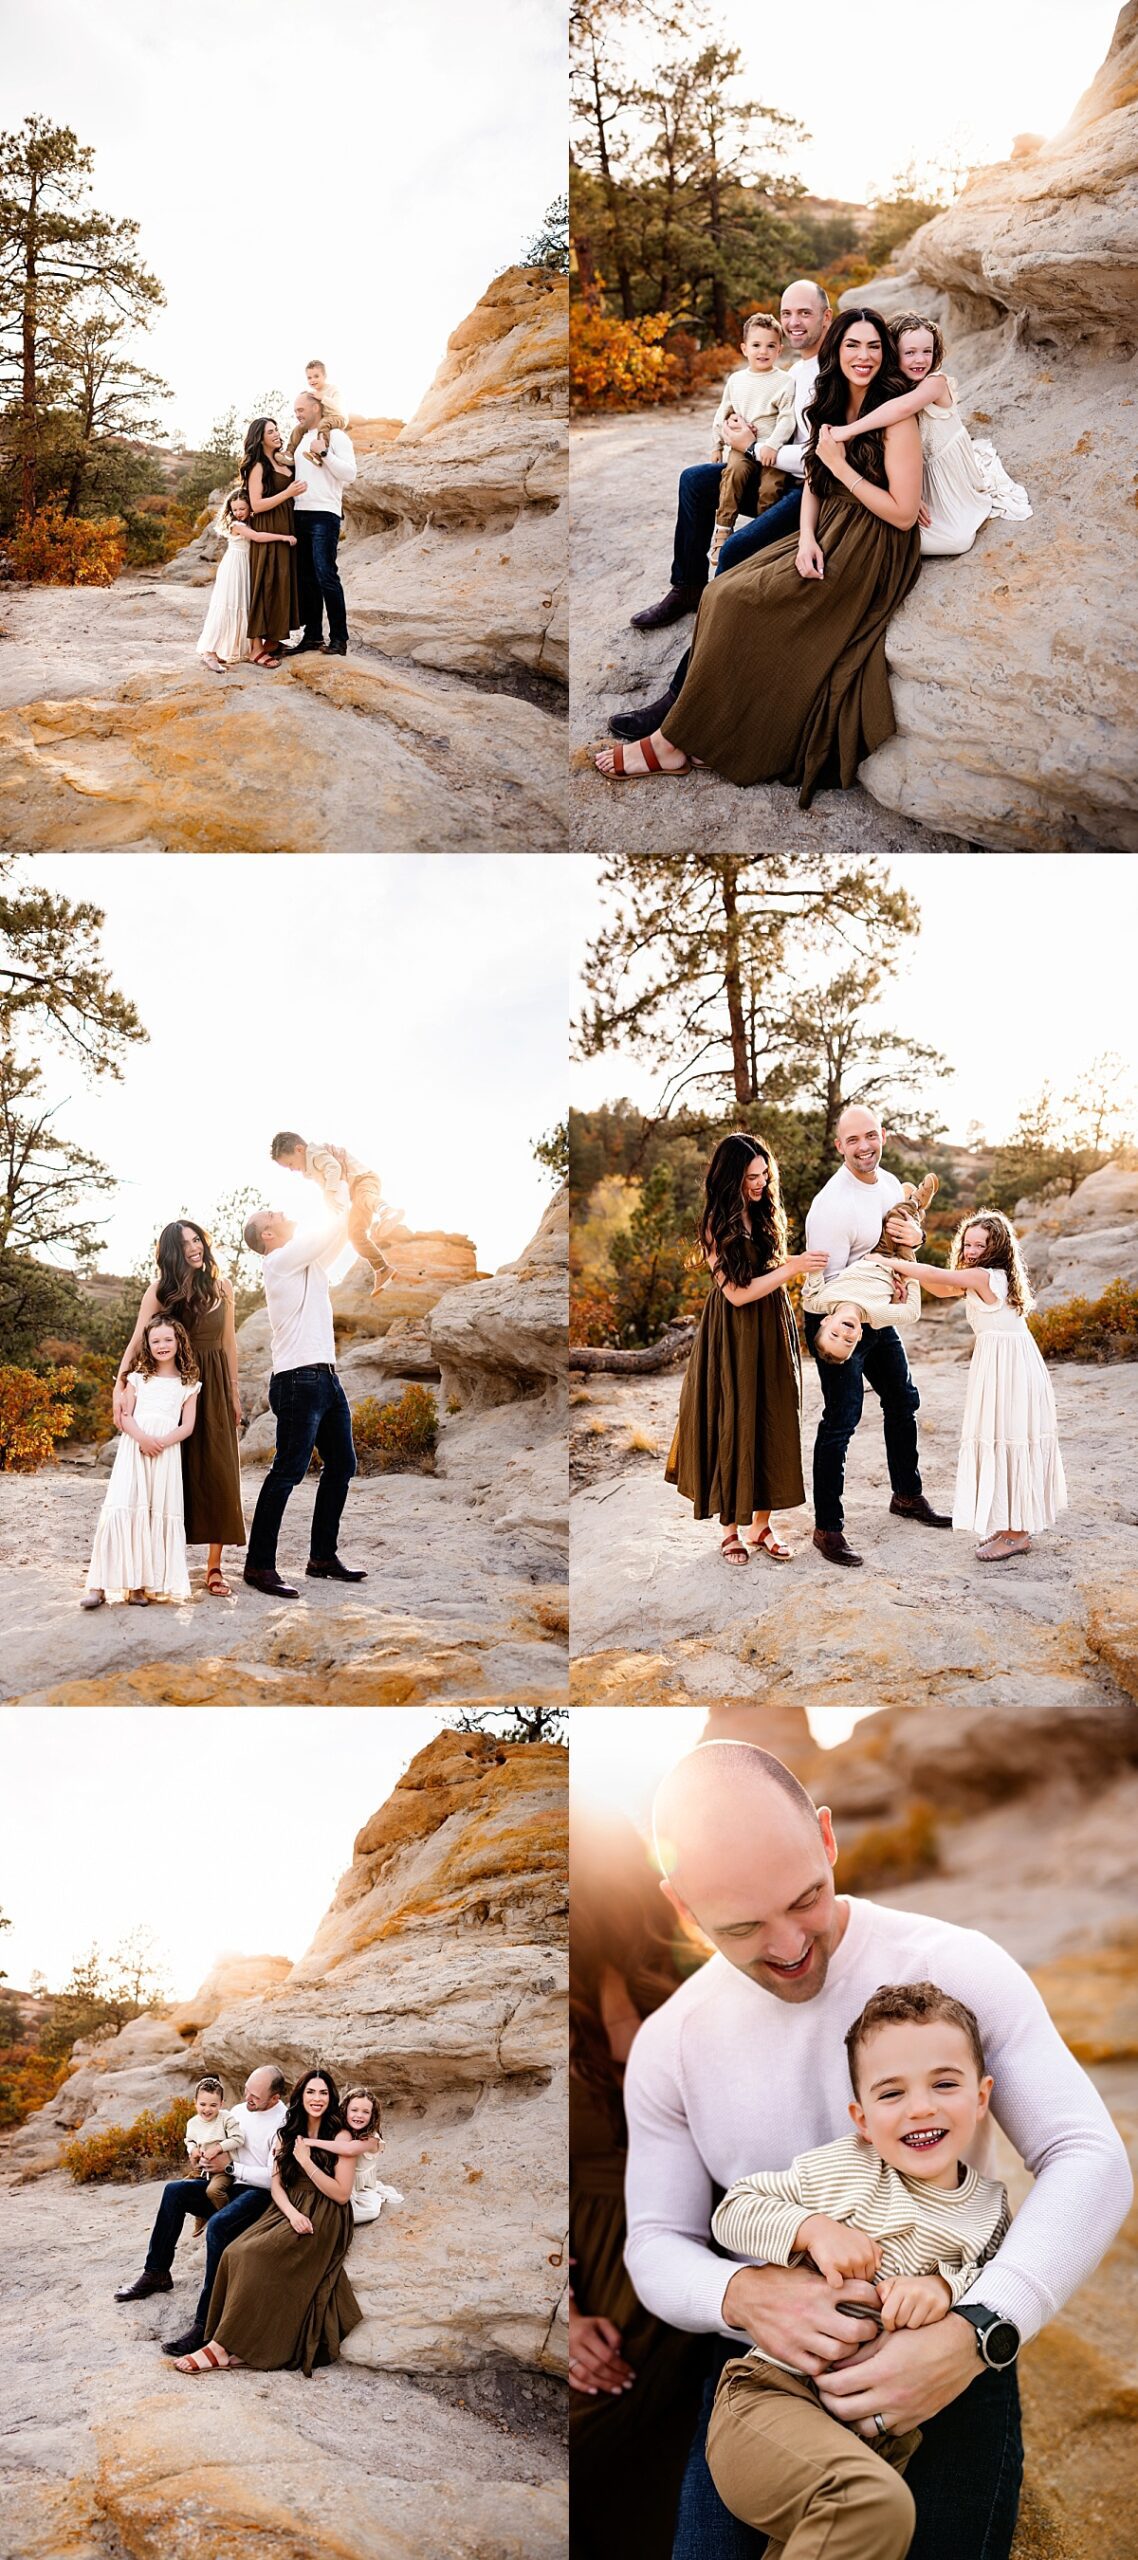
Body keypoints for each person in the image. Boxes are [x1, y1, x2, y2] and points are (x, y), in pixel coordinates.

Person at [623, 1741, 1133, 2560]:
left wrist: (977, 2332)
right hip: (768, 2368)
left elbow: (1090, 2157)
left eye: (805, 1899)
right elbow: (655, 2241)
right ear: (680, 1903)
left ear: (827, 1840)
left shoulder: (954, 1964)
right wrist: (745, 2294)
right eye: (743, 1926)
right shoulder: (669, 2046)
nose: (789, 1945)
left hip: (949, 2350)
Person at [706, 1983, 1010, 2560]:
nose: (921, 2107)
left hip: (876, 2431)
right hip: (772, 2397)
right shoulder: (844, 2168)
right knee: (867, 2506)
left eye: (944, 2084)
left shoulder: (989, 2207)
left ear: (980, 2097)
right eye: (891, 2093)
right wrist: (813, 2229)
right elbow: (733, 2211)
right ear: (862, 2118)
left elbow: (1000, 2285)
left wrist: (944, 2287)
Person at [596, 309, 923, 803]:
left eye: (874, 346)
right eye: (853, 345)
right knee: (724, 590)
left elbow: (901, 514)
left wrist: (842, 467)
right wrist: (808, 537)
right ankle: (699, 723)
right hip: (826, 526)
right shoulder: (829, 403)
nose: (864, 356)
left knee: (741, 600)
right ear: (835, 350)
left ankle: (670, 743)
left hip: (871, 542)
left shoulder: (896, 415)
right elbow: (815, 480)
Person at [570, 1807, 707, 2560]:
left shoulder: (691, 1982)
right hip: (584, 2254)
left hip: (692, 2235)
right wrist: (563, 2308)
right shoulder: (549, 2003)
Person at [626, 281, 831, 642]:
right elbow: (753, 407)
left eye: (805, 313)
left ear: (826, 318)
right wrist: (733, 425)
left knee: (733, 549)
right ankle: (687, 586)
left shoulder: (829, 373)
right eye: (787, 313)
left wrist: (751, 447)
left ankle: (713, 630)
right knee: (694, 480)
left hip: (805, 489)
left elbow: (820, 458)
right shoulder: (792, 372)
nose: (794, 321)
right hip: (773, 466)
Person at [665, 1134, 826, 1566]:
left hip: (772, 1327)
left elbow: (776, 1274)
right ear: (731, 1177)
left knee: (773, 1414)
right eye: (751, 1177)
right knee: (733, 1416)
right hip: (733, 1331)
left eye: (764, 1174)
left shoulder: (767, 1214)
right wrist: (792, 1267)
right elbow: (736, 1294)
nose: (760, 1183)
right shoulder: (715, 1224)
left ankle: (761, 1524)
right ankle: (730, 1530)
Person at [802, 1109, 950, 1568]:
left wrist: (916, 1240)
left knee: (903, 1400)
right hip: (839, 1320)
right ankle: (827, 1529)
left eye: (871, 1136)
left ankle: (907, 1495)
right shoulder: (832, 1206)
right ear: (839, 1146)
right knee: (842, 1419)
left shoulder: (889, 1183)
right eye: (854, 1140)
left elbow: (902, 1240)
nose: (865, 1146)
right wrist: (884, 1287)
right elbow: (830, 1287)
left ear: (882, 1136)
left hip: (879, 1311)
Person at [889, 1210, 1067, 1563]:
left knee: (1010, 1439)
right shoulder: (980, 1277)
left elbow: (933, 1274)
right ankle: (1012, 1525)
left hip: (1011, 1369)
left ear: (996, 1247)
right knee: (1002, 1439)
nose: (970, 1250)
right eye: (967, 1244)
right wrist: (905, 1270)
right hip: (1003, 1363)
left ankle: (1018, 1535)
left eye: (979, 1245)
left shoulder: (987, 1275)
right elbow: (939, 1286)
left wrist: (888, 1259)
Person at [175, 2066, 363, 2377]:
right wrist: (291, 2213)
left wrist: (306, 2163)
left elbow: (342, 2194)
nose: (317, 2098)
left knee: (256, 2257)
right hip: (288, 2204)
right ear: (299, 2096)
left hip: (326, 2211)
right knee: (236, 2252)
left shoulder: (340, 2134)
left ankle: (222, 2348)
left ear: (331, 2098)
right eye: (310, 2092)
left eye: (323, 2093)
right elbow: (277, 2183)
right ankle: (223, 2337)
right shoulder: (287, 2130)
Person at [241, 1168, 364, 1599]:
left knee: (342, 1465)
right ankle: (258, 1567)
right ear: (268, 1235)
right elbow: (326, 1231)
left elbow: (338, 1237)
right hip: (298, 1380)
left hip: (326, 1378)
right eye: (271, 1213)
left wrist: (348, 1193)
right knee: (288, 1471)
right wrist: (335, 1186)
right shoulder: (278, 1262)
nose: (280, 1210)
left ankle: (322, 1558)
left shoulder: (304, 1263)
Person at [114, 2064, 288, 2361]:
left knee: (219, 2226)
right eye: (246, 2090)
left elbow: (277, 2178)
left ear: (274, 2098)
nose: (247, 2098)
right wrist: (201, 2156)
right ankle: (156, 2273)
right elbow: (211, 2136)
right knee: (174, 2191)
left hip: (260, 2194)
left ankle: (205, 2324)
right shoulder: (238, 2111)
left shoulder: (284, 2122)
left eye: (255, 2096)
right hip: (226, 2185)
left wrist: (231, 2167)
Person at [113, 1221, 245, 1600]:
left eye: (197, 1239)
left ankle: (214, 1567)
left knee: (219, 1469)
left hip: (215, 1383)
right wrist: (120, 1385)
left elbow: (228, 1342)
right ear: (173, 1251)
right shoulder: (159, 1291)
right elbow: (140, 1339)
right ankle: (150, 1565)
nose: (195, 1247)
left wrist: (234, 1392)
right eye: (186, 1243)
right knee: (166, 1472)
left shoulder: (223, 1288)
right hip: (170, 1387)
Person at [830, 314, 1031, 558]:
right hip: (920, 473)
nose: (920, 360)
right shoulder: (893, 388)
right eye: (910, 352)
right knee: (908, 516)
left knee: (958, 540)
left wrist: (848, 431)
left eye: (927, 351)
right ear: (893, 353)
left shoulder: (935, 383)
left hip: (949, 472)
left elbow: (903, 409)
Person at [82, 1317, 200, 1608]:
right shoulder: (137, 1378)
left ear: (179, 1342)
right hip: (136, 1449)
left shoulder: (189, 1384)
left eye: (168, 1340)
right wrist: (144, 1439)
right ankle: (98, 1585)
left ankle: (139, 1586)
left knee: (151, 1513)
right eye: (155, 1341)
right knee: (123, 1507)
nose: (162, 1346)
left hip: (165, 1454)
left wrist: (161, 1443)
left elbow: (188, 1426)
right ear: (148, 1345)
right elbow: (125, 1417)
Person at [803, 1177, 939, 1363]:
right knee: (898, 1223)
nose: (844, 1333)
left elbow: (810, 1293)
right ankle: (915, 1201)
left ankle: (909, 1203)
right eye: (848, 1341)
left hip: (875, 1254)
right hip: (900, 1265)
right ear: (859, 1335)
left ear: (826, 1321)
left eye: (834, 1334)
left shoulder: (822, 1302)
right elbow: (912, 1313)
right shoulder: (877, 1316)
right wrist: (910, 1277)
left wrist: (815, 1268)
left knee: (890, 1222)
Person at [707, 316, 799, 571]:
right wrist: (717, 444)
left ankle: (760, 537)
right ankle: (723, 529)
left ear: (780, 349)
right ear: (744, 348)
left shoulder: (785, 381)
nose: (763, 351)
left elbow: (787, 418)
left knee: (771, 487)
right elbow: (723, 412)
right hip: (740, 447)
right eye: (756, 345)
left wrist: (773, 445)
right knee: (733, 473)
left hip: (772, 450)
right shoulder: (737, 380)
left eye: (771, 346)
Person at [269, 1129, 397, 1297]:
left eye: (291, 1164)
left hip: (362, 1179)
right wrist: (330, 1200)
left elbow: (334, 1167)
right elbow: (327, 1184)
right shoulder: (310, 1169)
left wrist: (329, 1192)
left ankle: (387, 1211)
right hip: (353, 1192)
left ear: (299, 1149)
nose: (292, 1170)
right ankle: (382, 1269)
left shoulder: (315, 1153)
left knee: (364, 1197)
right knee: (355, 1234)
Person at [286, 392, 357, 658]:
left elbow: (350, 474)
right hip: (300, 514)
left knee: (326, 575)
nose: (297, 414)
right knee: (306, 579)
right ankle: (313, 636)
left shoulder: (336, 436)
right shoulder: (300, 437)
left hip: (324, 514)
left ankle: (339, 639)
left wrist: (324, 452)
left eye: (301, 409)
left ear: (316, 407)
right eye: (295, 410)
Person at [196, 487, 297, 672]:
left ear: (249, 507)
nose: (238, 513)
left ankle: (244, 647)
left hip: (244, 566)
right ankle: (210, 652)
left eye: (242, 509)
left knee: (244, 604)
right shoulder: (236, 525)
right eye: (235, 509)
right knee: (229, 604)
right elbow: (257, 537)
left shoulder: (249, 521)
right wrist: (284, 537)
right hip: (235, 566)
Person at [240, 417, 304, 668]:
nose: (277, 434)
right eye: (271, 431)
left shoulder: (281, 460)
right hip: (267, 528)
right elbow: (256, 504)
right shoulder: (258, 466)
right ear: (260, 437)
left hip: (286, 527)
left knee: (280, 583)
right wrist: (288, 493)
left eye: (277, 429)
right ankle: (255, 649)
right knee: (265, 584)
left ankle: (273, 641)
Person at [316, 2085, 405, 2225]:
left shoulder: (372, 2139)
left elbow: (349, 2150)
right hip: (342, 2184)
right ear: (345, 2110)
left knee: (371, 2211)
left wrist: (312, 2142)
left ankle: (336, 2219)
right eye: (354, 2110)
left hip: (361, 2189)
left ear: (372, 2115)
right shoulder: (343, 2132)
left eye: (365, 2112)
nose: (359, 2115)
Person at [183, 2073, 236, 2235]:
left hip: (222, 2169)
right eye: (203, 2104)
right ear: (195, 2103)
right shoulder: (193, 2123)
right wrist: (193, 2150)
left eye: (213, 2105)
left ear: (221, 2104)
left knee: (213, 2191)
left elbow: (237, 2139)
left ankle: (227, 2217)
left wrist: (218, 2148)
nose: (207, 2109)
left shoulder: (226, 2118)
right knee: (183, 2189)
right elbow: (189, 2140)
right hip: (203, 2167)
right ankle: (202, 2214)